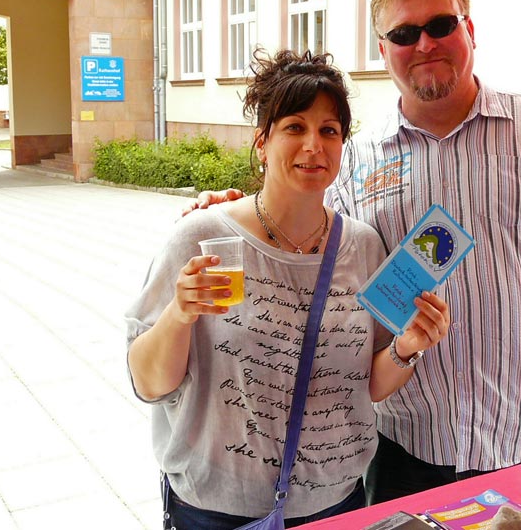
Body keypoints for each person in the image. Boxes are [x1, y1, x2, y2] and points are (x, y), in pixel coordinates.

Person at [186, 0, 521, 505]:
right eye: (404, 33)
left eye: (441, 25)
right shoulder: (357, 159)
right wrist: (236, 211)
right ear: (383, 48)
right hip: (406, 450)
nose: (425, 44)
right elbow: (302, 237)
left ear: (470, 29)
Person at [125, 48, 450, 528]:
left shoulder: (362, 247)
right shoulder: (201, 236)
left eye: (329, 131)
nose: (313, 145)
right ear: (262, 142)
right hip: (217, 507)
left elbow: (370, 386)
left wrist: (409, 346)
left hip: (334, 503)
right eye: (295, 127)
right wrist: (179, 313)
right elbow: (149, 384)